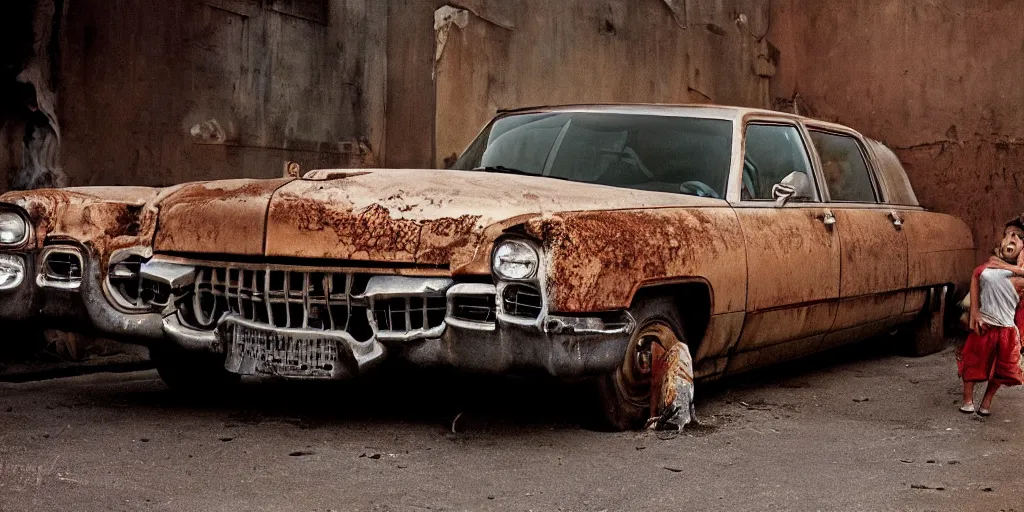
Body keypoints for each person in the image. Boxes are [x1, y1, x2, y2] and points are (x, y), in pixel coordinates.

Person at [959, 216, 1024, 415]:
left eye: (1017, 236)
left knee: (1002, 370)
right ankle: (967, 400)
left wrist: (1011, 267)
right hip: (985, 322)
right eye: (1007, 235)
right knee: (973, 362)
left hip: (1006, 328)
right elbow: (976, 275)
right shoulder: (990, 265)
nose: (1010, 239)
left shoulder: (1016, 273)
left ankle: (987, 401)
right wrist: (975, 314)